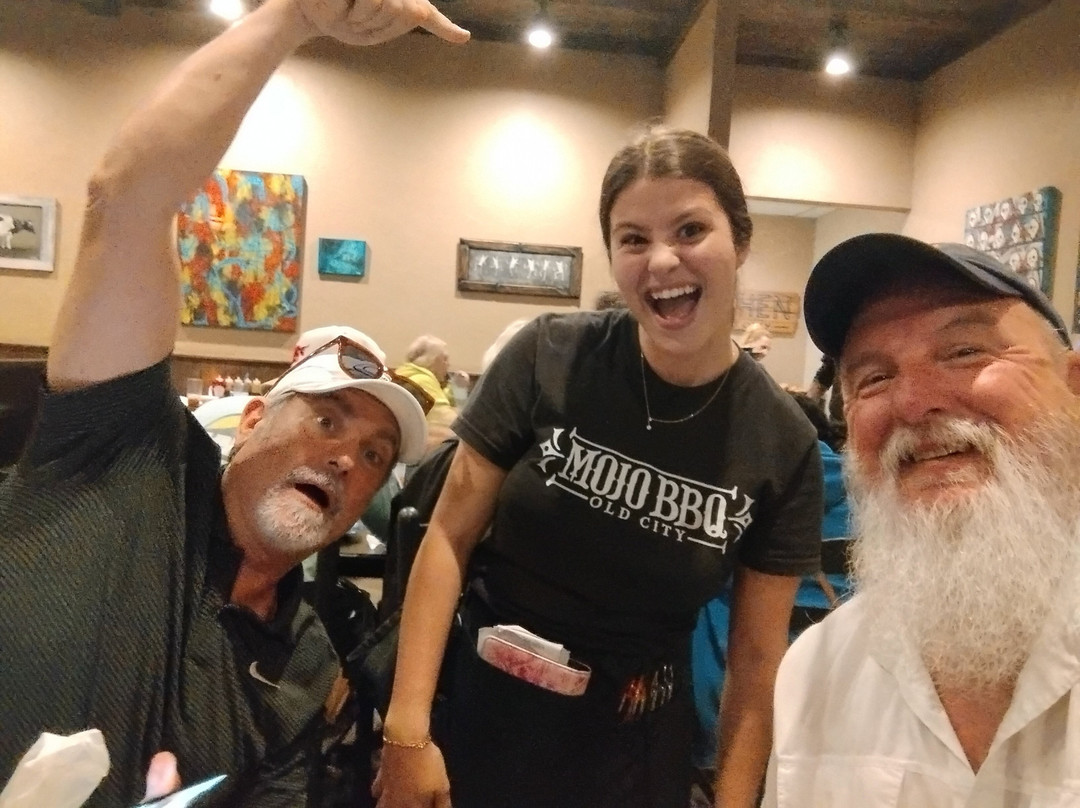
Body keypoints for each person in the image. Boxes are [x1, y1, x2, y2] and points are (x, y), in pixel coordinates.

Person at [0, 2, 465, 806]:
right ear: (252, 422)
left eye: (375, 455)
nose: (346, 458)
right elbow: (127, 197)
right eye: (326, 420)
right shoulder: (129, 456)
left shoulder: (307, 663)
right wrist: (291, 18)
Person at [377, 127, 824, 808]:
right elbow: (448, 535)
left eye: (690, 230)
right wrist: (406, 730)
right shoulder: (548, 355)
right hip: (484, 710)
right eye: (633, 239)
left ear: (740, 240)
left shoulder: (783, 442)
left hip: (636, 745)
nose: (662, 260)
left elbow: (757, 663)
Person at [763, 233, 1080, 806]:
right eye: (874, 378)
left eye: (964, 352)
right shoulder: (816, 675)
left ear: (1073, 388)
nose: (914, 403)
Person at [395, 335, 460, 450]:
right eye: (444, 359)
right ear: (432, 360)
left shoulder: (409, 375)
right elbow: (446, 420)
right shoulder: (423, 380)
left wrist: (457, 390)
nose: (448, 364)